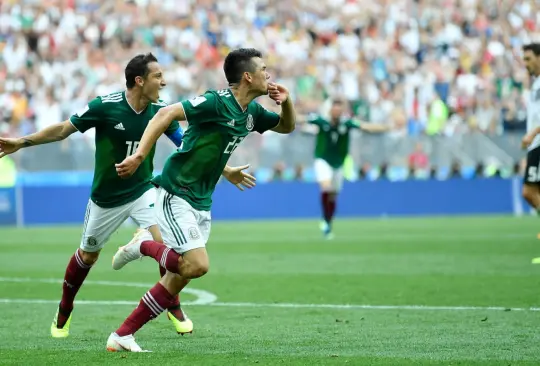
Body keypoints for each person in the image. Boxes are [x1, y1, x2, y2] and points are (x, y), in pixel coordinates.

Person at [0, 52, 253, 338]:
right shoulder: (105, 107)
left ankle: (173, 304)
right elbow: (62, 130)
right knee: (88, 255)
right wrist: (21, 142)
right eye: (158, 76)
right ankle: (65, 306)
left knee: (167, 244)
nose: (164, 82)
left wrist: (226, 169)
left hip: (144, 188)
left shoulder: (161, 112)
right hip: (106, 199)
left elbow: (189, 147)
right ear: (139, 80)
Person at [104, 48, 296, 352]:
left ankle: (122, 335)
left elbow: (287, 126)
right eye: (263, 69)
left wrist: (286, 103)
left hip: (202, 199)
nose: (268, 74)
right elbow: (166, 114)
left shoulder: (253, 113)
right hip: (175, 190)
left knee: (178, 277)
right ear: (248, 76)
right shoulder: (215, 102)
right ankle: (143, 245)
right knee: (197, 265)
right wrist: (140, 155)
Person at [304, 99, 389, 239]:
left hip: (338, 162)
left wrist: (386, 127)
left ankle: (327, 221)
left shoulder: (346, 123)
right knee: (326, 187)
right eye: (334, 109)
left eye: (339, 109)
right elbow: (302, 119)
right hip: (323, 159)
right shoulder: (321, 121)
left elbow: (365, 127)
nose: (336, 111)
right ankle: (325, 220)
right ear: (330, 110)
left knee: (334, 194)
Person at [519, 43, 540, 264]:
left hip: (539, 143)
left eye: (528, 59)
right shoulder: (535, 84)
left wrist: (531, 134)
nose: (525, 64)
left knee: (529, 192)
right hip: (535, 144)